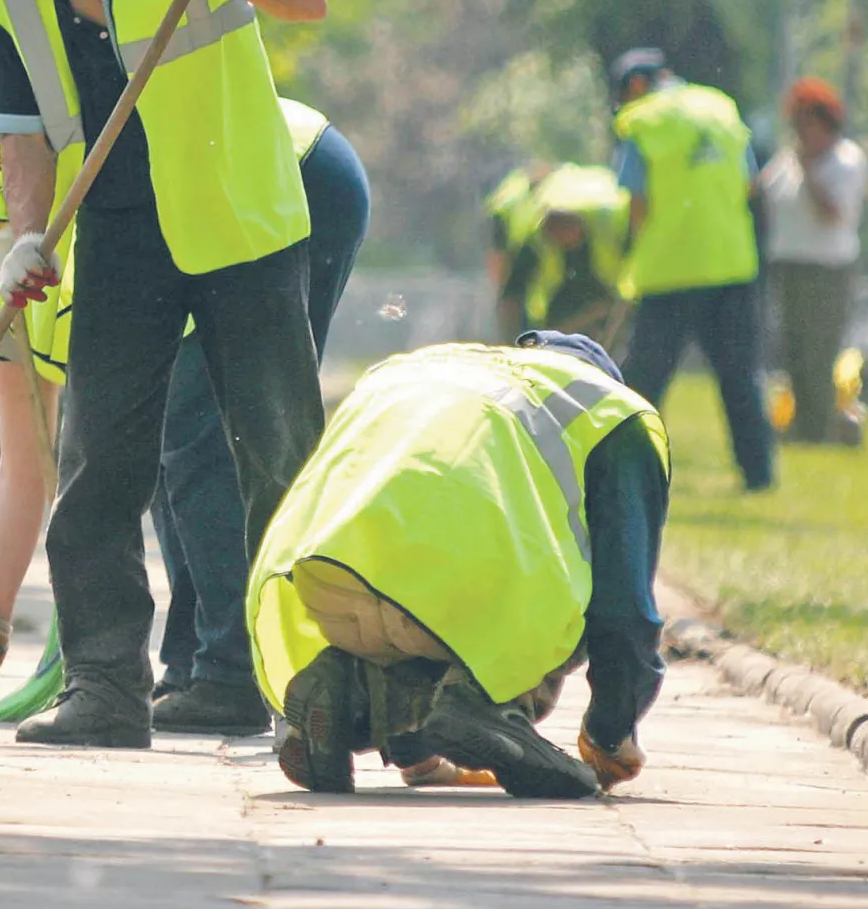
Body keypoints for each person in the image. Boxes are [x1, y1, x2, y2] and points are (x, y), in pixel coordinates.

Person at [0, 0, 329, 748]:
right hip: (119, 231)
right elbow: (21, 131)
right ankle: (106, 687)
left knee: (279, 455)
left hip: (239, 215)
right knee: (97, 465)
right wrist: (25, 234)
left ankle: (315, 687)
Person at [0, 97, 370, 738]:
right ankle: (197, 668)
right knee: (164, 445)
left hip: (284, 169)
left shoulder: (15, 199)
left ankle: (234, 674)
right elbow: (24, 465)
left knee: (199, 440)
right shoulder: (3, 307)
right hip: (201, 206)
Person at [248, 332, 670, 799]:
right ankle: (483, 701)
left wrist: (419, 759)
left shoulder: (422, 368)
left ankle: (347, 687)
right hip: (459, 592)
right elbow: (624, 606)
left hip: (327, 577)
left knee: (407, 615)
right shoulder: (611, 415)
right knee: (569, 568)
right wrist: (610, 731)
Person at [610, 47, 773, 491]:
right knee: (740, 376)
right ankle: (758, 475)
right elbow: (750, 183)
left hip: (670, 268)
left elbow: (636, 202)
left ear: (636, 86)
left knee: (645, 381)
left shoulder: (644, 120)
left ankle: (627, 471)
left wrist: (631, 256)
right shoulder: (720, 108)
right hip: (731, 264)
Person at [760, 76, 868, 444]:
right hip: (789, 266)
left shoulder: (846, 161)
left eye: (808, 122)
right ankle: (803, 427)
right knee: (792, 350)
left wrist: (808, 171)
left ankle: (819, 431)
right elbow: (764, 192)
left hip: (827, 271)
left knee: (818, 354)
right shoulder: (787, 159)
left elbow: (832, 214)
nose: (801, 132)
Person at [497, 163, 631, 344]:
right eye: (551, 227)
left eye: (564, 226)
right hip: (557, 315)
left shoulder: (611, 232)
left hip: (611, 310)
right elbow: (512, 296)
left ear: (579, 221)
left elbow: (630, 292)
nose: (557, 235)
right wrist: (511, 342)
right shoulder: (536, 241)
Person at [483, 162, 550, 341]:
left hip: (522, 256)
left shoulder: (507, 194)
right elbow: (498, 251)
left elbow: (496, 250)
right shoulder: (514, 199)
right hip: (524, 256)